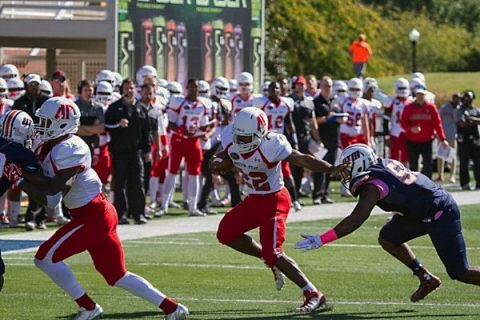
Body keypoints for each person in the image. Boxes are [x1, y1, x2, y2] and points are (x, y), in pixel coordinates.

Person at [4, 97, 188, 319]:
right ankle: (173, 308)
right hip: (94, 213)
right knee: (117, 275)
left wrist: (20, 180)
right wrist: (21, 171)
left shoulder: (70, 147)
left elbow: (52, 193)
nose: (40, 126)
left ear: (62, 123)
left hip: (92, 215)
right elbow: (46, 182)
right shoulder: (53, 145)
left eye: (45, 121)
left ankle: (88, 307)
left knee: (44, 258)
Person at [295, 143, 480, 303]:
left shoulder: (372, 186)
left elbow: (357, 218)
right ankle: (426, 278)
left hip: (440, 211)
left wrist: (322, 239)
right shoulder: (381, 163)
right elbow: (404, 190)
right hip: (422, 210)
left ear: (360, 164)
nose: (346, 174)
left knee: (460, 271)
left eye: (348, 169)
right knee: (388, 237)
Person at [212, 107, 348, 313]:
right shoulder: (231, 137)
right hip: (253, 199)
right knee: (225, 233)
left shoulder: (272, 145)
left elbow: (302, 158)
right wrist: (216, 162)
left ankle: (313, 294)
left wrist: (329, 168)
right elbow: (223, 155)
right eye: (238, 137)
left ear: (261, 133)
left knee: (274, 251)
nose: (241, 142)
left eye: (246, 137)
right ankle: (270, 261)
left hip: (274, 199)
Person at [159, 78, 214, 217]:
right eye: (191, 87)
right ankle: (164, 205)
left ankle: (193, 207)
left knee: (195, 173)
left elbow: (203, 125)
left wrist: (203, 132)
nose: (194, 89)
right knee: (172, 171)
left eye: (196, 87)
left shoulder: (203, 104)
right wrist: (182, 131)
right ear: (187, 88)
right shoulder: (179, 102)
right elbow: (170, 123)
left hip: (194, 141)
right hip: (179, 140)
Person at [105, 79, 151, 225]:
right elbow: (107, 126)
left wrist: (147, 150)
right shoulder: (114, 107)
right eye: (126, 88)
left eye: (131, 88)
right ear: (122, 89)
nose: (129, 91)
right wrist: (119, 125)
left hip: (136, 151)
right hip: (119, 152)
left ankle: (139, 214)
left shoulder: (140, 107)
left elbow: (146, 131)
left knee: (138, 183)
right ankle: (121, 214)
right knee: (120, 184)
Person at [401, 83, 448, 179]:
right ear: (415, 95)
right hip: (412, 141)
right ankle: (414, 185)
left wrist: (443, 139)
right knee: (413, 165)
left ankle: (427, 186)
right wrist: (411, 129)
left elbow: (437, 124)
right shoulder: (408, 107)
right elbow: (403, 123)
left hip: (427, 141)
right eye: (418, 94)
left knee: (428, 164)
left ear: (425, 95)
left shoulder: (431, 108)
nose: (420, 97)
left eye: (422, 95)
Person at [290, 76, 321, 205]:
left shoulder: (309, 102)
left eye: (302, 84)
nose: (301, 86)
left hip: (305, 138)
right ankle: (292, 196)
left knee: (300, 168)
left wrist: (317, 138)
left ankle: (297, 195)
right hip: (292, 138)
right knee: (290, 168)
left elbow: (312, 122)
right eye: (298, 84)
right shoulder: (290, 100)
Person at [313, 76, 344, 204]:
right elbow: (313, 121)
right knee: (319, 167)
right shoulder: (316, 102)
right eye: (325, 86)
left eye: (330, 86)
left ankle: (325, 193)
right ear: (320, 87)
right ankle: (317, 194)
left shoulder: (335, 102)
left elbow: (343, 118)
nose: (328, 88)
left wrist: (340, 118)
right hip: (321, 139)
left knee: (331, 167)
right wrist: (327, 118)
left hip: (334, 139)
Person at [384, 78, 414, 165]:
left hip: (408, 133)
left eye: (404, 88)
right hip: (395, 133)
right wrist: (386, 136)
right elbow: (385, 120)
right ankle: (394, 176)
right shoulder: (392, 101)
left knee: (406, 158)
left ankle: (405, 176)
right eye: (400, 88)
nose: (402, 91)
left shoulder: (412, 101)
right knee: (393, 158)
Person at [455, 90, 480, 190]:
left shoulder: (476, 110)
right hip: (463, 140)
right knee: (464, 163)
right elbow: (461, 122)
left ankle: (479, 183)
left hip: (475, 140)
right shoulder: (459, 110)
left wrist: (471, 119)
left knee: (478, 163)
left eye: (469, 98)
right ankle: (465, 183)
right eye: (466, 98)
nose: (468, 100)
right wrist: (474, 121)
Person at [75, 80, 105, 156]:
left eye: (90, 90)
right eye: (85, 90)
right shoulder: (74, 107)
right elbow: (76, 129)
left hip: (94, 146)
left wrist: (83, 127)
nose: (88, 93)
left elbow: (101, 128)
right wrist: (94, 129)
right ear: (80, 91)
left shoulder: (98, 108)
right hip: (77, 146)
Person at [438, 93, 460, 183]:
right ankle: (440, 175)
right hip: (443, 136)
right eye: (456, 99)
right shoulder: (445, 107)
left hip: (453, 135)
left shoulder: (459, 109)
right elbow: (439, 119)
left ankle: (452, 176)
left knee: (453, 156)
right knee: (441, 156)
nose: (457, 100)